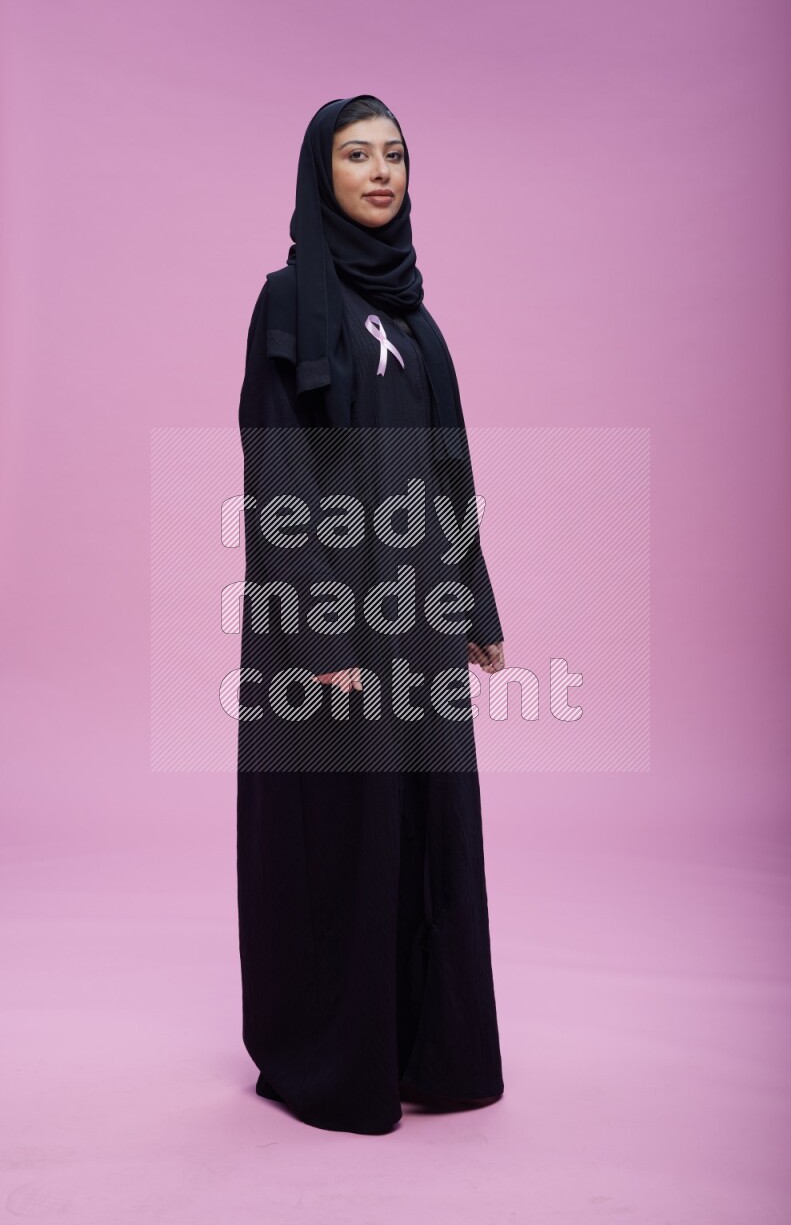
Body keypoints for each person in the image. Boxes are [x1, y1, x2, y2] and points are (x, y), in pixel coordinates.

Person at [236, 94, 506, 1135]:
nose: (381, 171)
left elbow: (452, 472)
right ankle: (331, 1057)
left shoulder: (417, 321)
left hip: (421, 617)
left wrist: (474, 602)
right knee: (338, 834)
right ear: (321, 172)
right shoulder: (288, 300)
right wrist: (317, 634)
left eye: (394, 154)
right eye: (357, 155)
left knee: (426, 830)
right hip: (335, 622)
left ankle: (425, 1049)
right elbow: (279, 470)